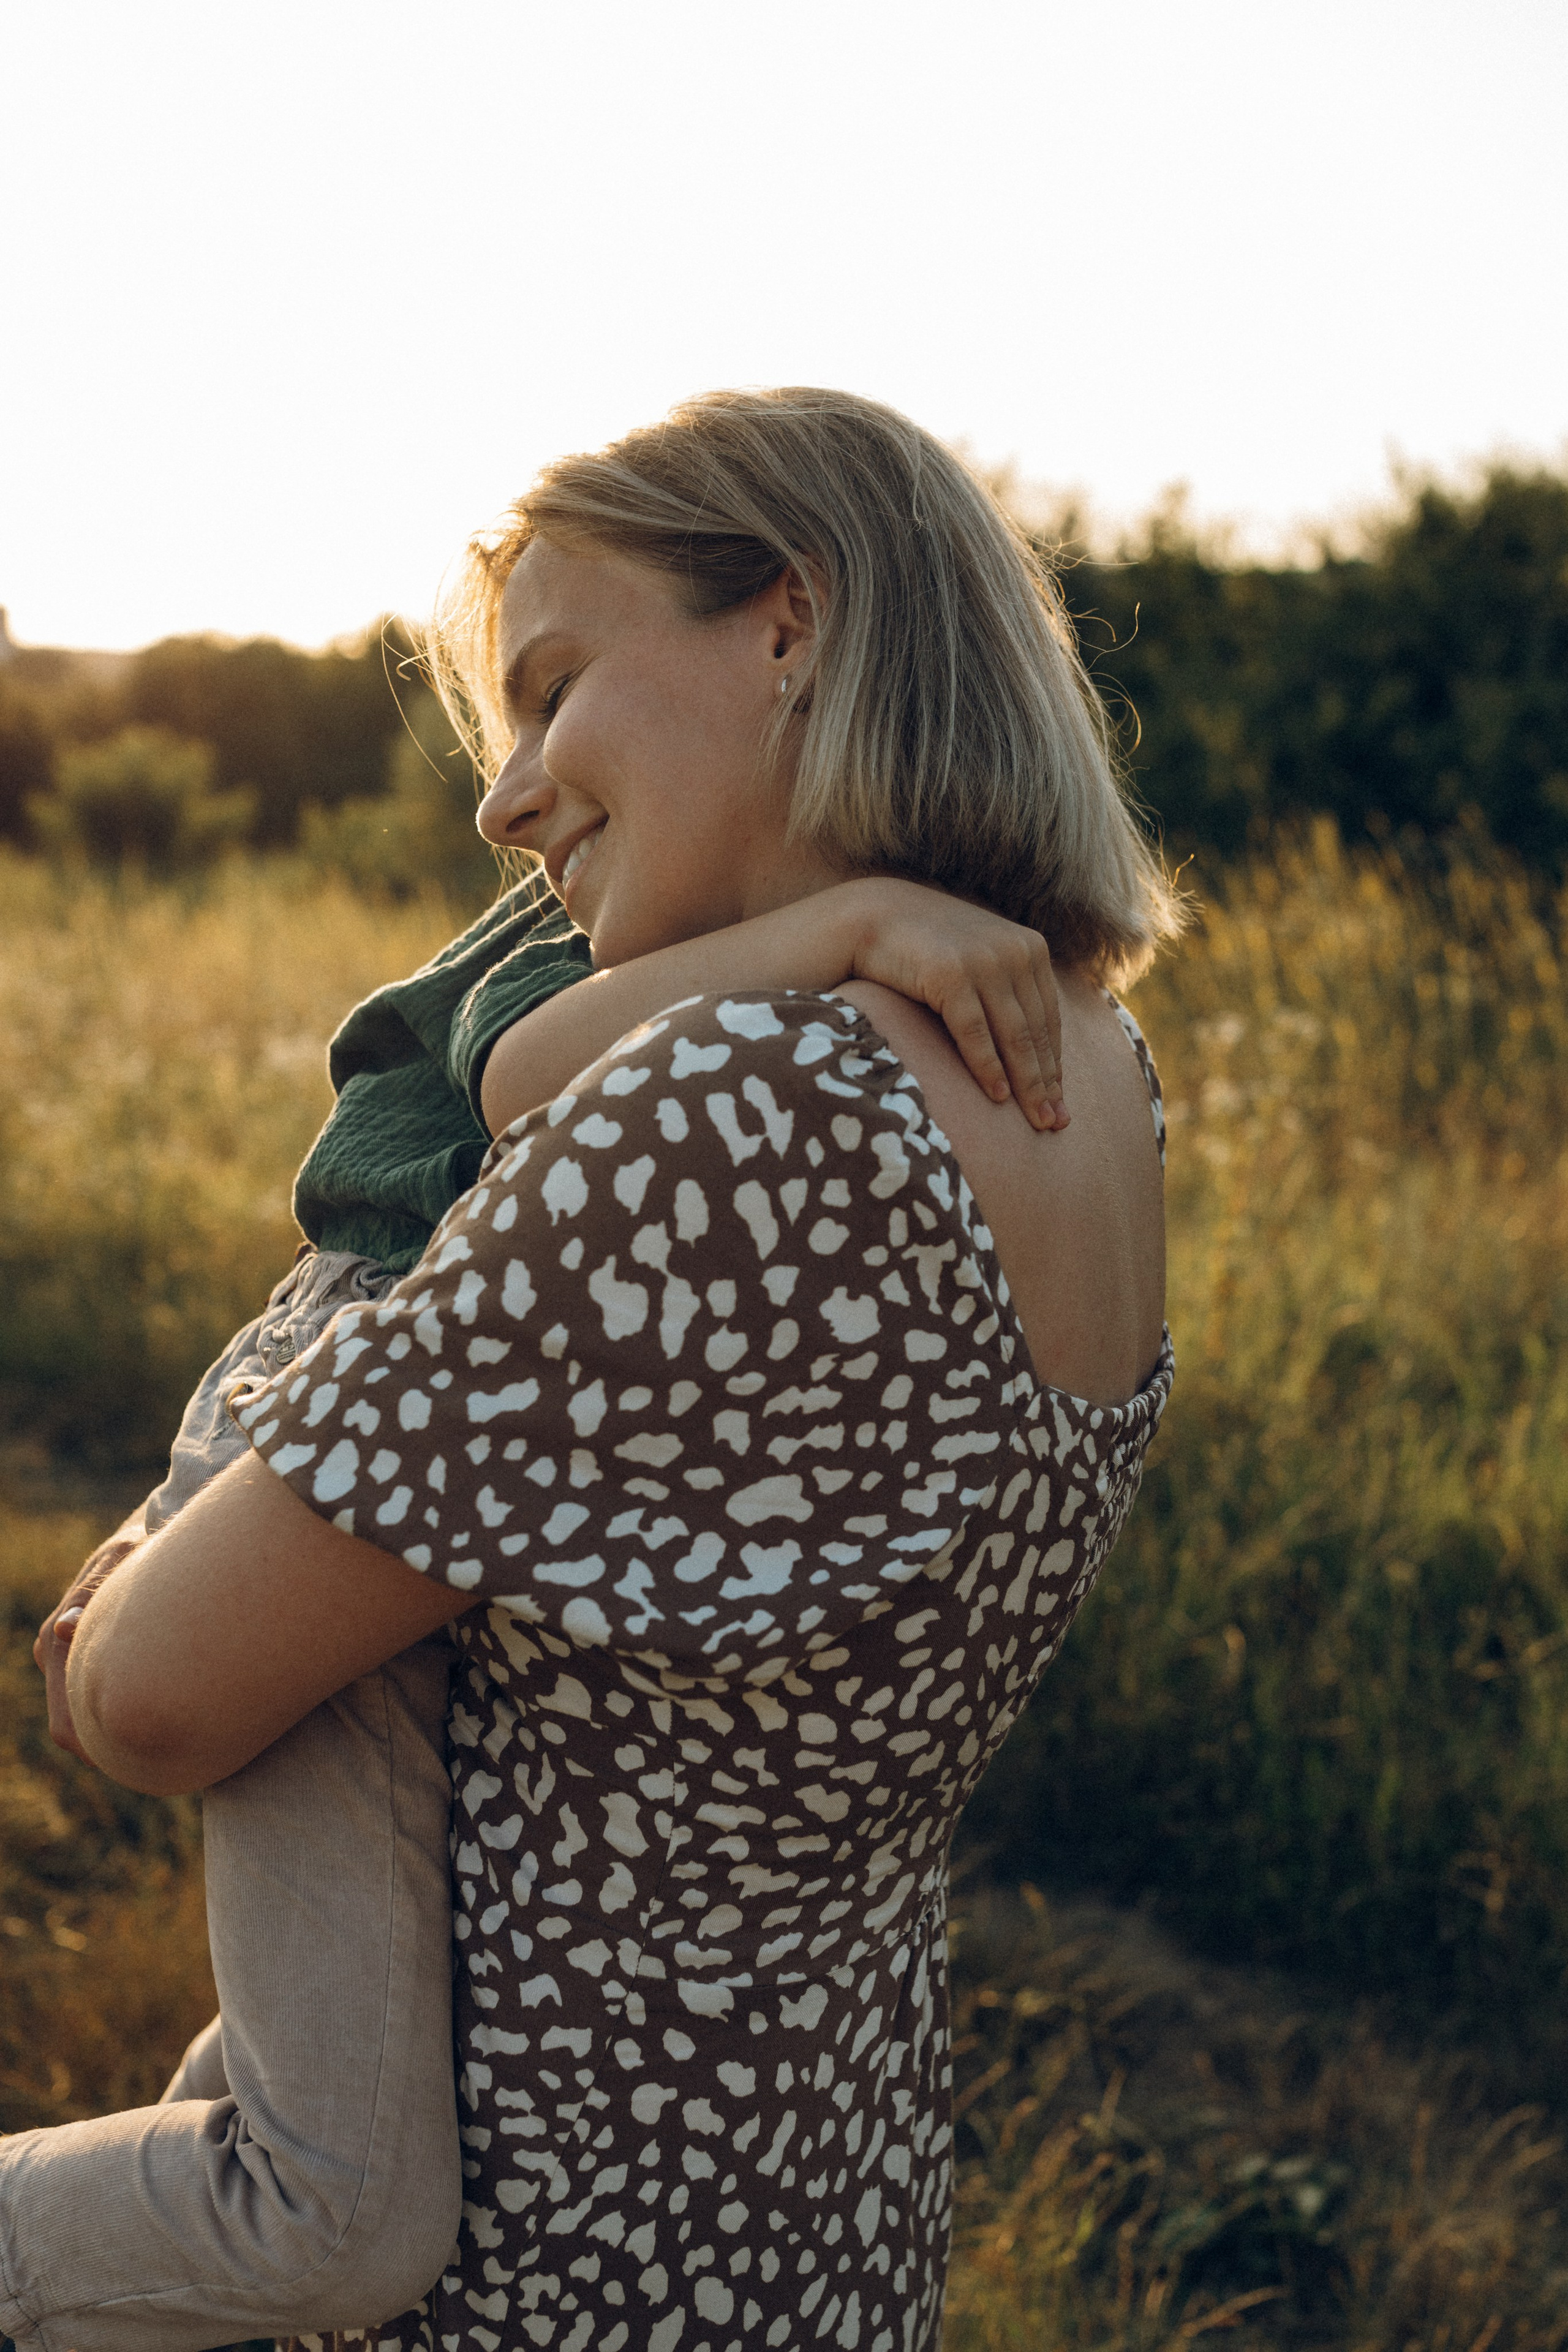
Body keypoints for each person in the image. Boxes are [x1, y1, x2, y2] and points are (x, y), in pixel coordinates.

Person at [13, 385, 1179, 2352]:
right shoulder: (1088, 1077)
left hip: (559, 2256)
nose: (506, 792)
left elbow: (149, 1698)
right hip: (819, 2195)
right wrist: (846, 924)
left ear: (789, 620)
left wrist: (117, 1610)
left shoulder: (733, 1113)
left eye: (553, 691)